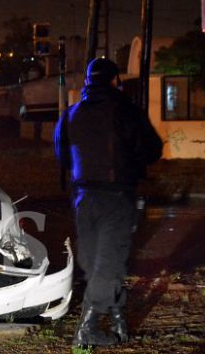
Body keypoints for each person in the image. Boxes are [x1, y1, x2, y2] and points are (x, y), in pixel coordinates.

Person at [54, 58, 162, 347]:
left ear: (88, 82)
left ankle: (117, 319)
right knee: (108, 264)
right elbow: (151, 149)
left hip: (83, 197)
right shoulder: (127, 111)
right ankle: (87, 329)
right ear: (116, 81)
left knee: (94, 264)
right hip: (117, 196)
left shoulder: (71, 114)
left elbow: (62, 155)